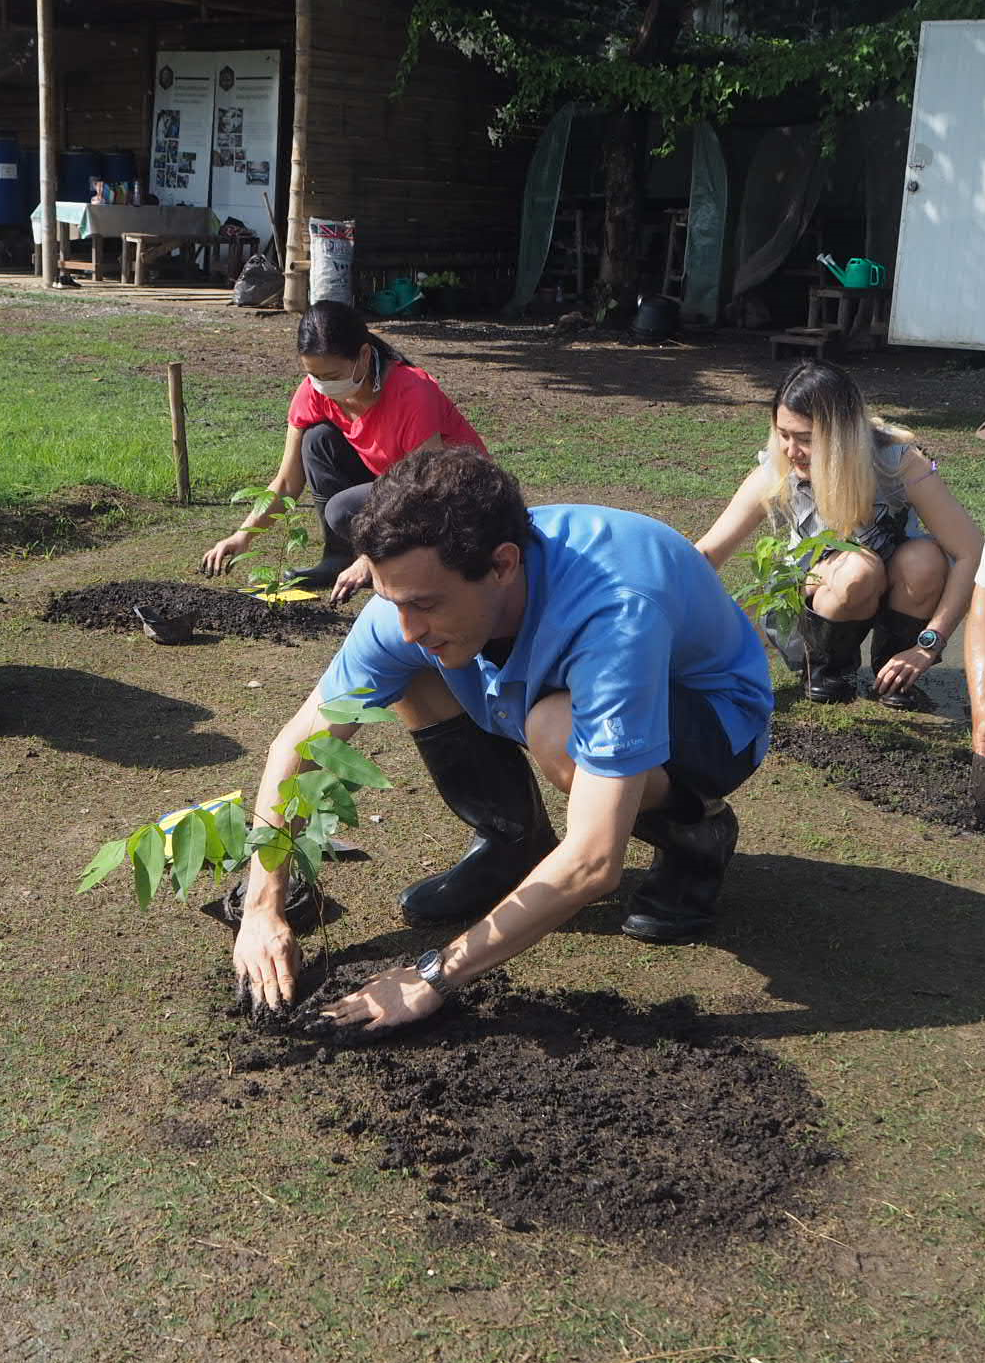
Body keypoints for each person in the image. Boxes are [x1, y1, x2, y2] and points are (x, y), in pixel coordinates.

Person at [232, 448, 774, 1031]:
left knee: (557, 729)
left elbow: (594, 862)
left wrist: (433, 976)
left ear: (503, 565)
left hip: (711, 724)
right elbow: (302, 740)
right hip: (545, 685)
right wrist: (263, 907)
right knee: (409, 668)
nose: (408, 625)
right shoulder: (417, 591)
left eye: (425, 603)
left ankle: (696, 833)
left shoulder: (615, 610)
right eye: (396, 602)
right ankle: (513, 838)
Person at [697, 360, 982, 708]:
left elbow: (971, 551)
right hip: (823, 595)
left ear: (843, 435)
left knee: (925, 560)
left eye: (805, 439)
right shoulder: (779, 466)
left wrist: (929, 644)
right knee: (859, 569)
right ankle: (827, 671)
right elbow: (709, 552)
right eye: (783, 434)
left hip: (893, 587)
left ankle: (894, 672)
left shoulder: (899, 462)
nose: (790, 450)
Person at [200, 299, 486, 604]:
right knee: (318, 439)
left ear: (364, 355)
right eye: (314, 375)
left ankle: (392, 561)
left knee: (343, 509)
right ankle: (338, 557)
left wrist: (373, 558)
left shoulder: (412, 392)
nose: (323, 386)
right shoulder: (313, 392)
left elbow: (429, 491)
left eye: (333, 376)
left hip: (458, 499)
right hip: (399, 484)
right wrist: (243, 535)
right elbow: (286, 482)